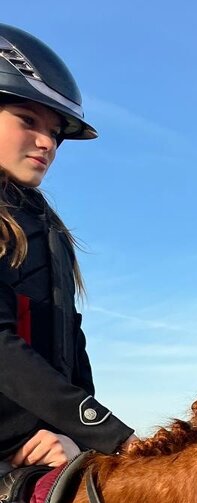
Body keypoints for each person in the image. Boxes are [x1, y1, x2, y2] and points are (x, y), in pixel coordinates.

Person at [0, 24, 133, 469]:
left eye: (55, 132)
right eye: (28, 121)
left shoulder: (44, 227)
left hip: (45, 447)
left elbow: (69, 346)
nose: (47, 144)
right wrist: (106, 433)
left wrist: (79, 438)